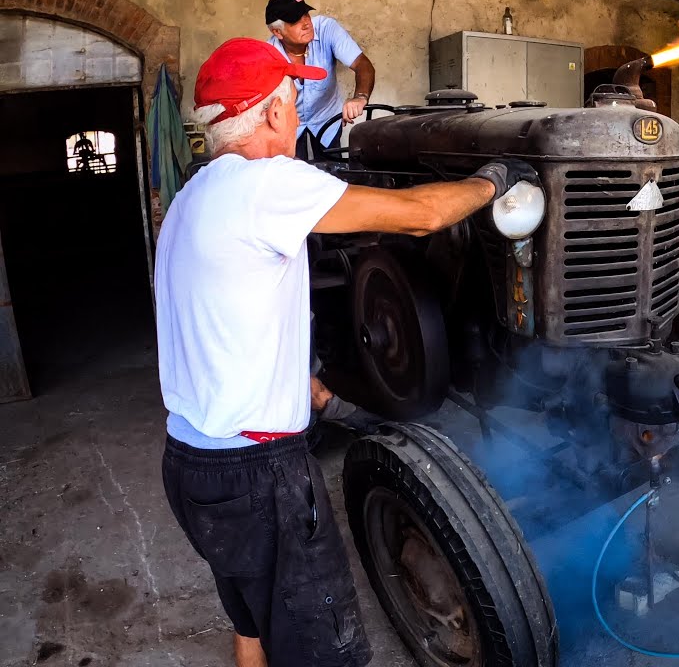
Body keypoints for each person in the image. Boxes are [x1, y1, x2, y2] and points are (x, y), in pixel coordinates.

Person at [156, 37, 538, 667]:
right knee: (326, 650)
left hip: (192, 465)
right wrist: (493, 181)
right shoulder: (268, 184)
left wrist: (318, 395)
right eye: (293, 97)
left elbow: (216, 330)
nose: (299, 109)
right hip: (259, 479)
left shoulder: (188, 202)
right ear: (276, 112)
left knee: (252, 620)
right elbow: (418, 216)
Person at [265, 0, 376, 157]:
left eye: (306, 15)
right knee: (295, 173)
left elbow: (363, 65)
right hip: (290, 123)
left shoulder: (327, 29)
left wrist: (360, 97)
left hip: (327, 116)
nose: (306, 23)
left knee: (333, 169)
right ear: (277, 32)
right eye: (295, 20)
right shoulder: (268, 55)